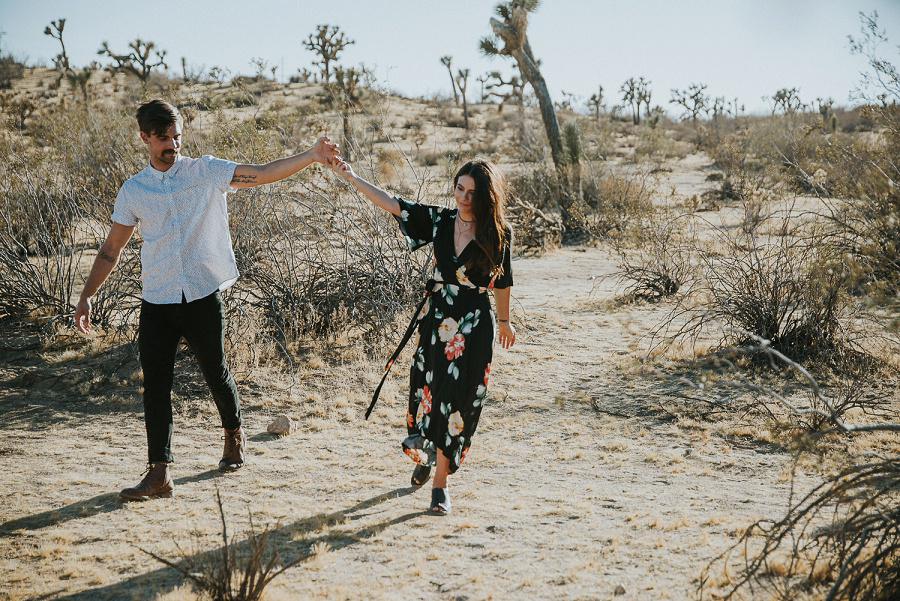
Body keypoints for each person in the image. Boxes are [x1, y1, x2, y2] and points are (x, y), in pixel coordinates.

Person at [74, 99, 338, 501]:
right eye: (163, 138)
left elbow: (264, 174)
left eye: (177, 136)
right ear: (144, 137)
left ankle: (234, 434)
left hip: (201, 293)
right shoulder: (134, 191)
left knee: (215, 371)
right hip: (158, 300)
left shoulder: (206, 171)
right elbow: (111, 249)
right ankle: (159, 473)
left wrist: (312, 155)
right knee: (156, 386)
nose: (172, 145)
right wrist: (87, 295)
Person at [328, 156, 516, 515]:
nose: (463, 197)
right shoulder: (442, 221)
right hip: (438, 320)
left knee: (458, 400)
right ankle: (429, 455)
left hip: (475, 325)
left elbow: (503, 281)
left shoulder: (498, 233)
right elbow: (394, 204)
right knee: (431, 393)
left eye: (471, 193)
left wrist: (505, 321)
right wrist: (352, 177)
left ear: (486, 197)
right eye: (459, 188)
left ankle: (440, 486)